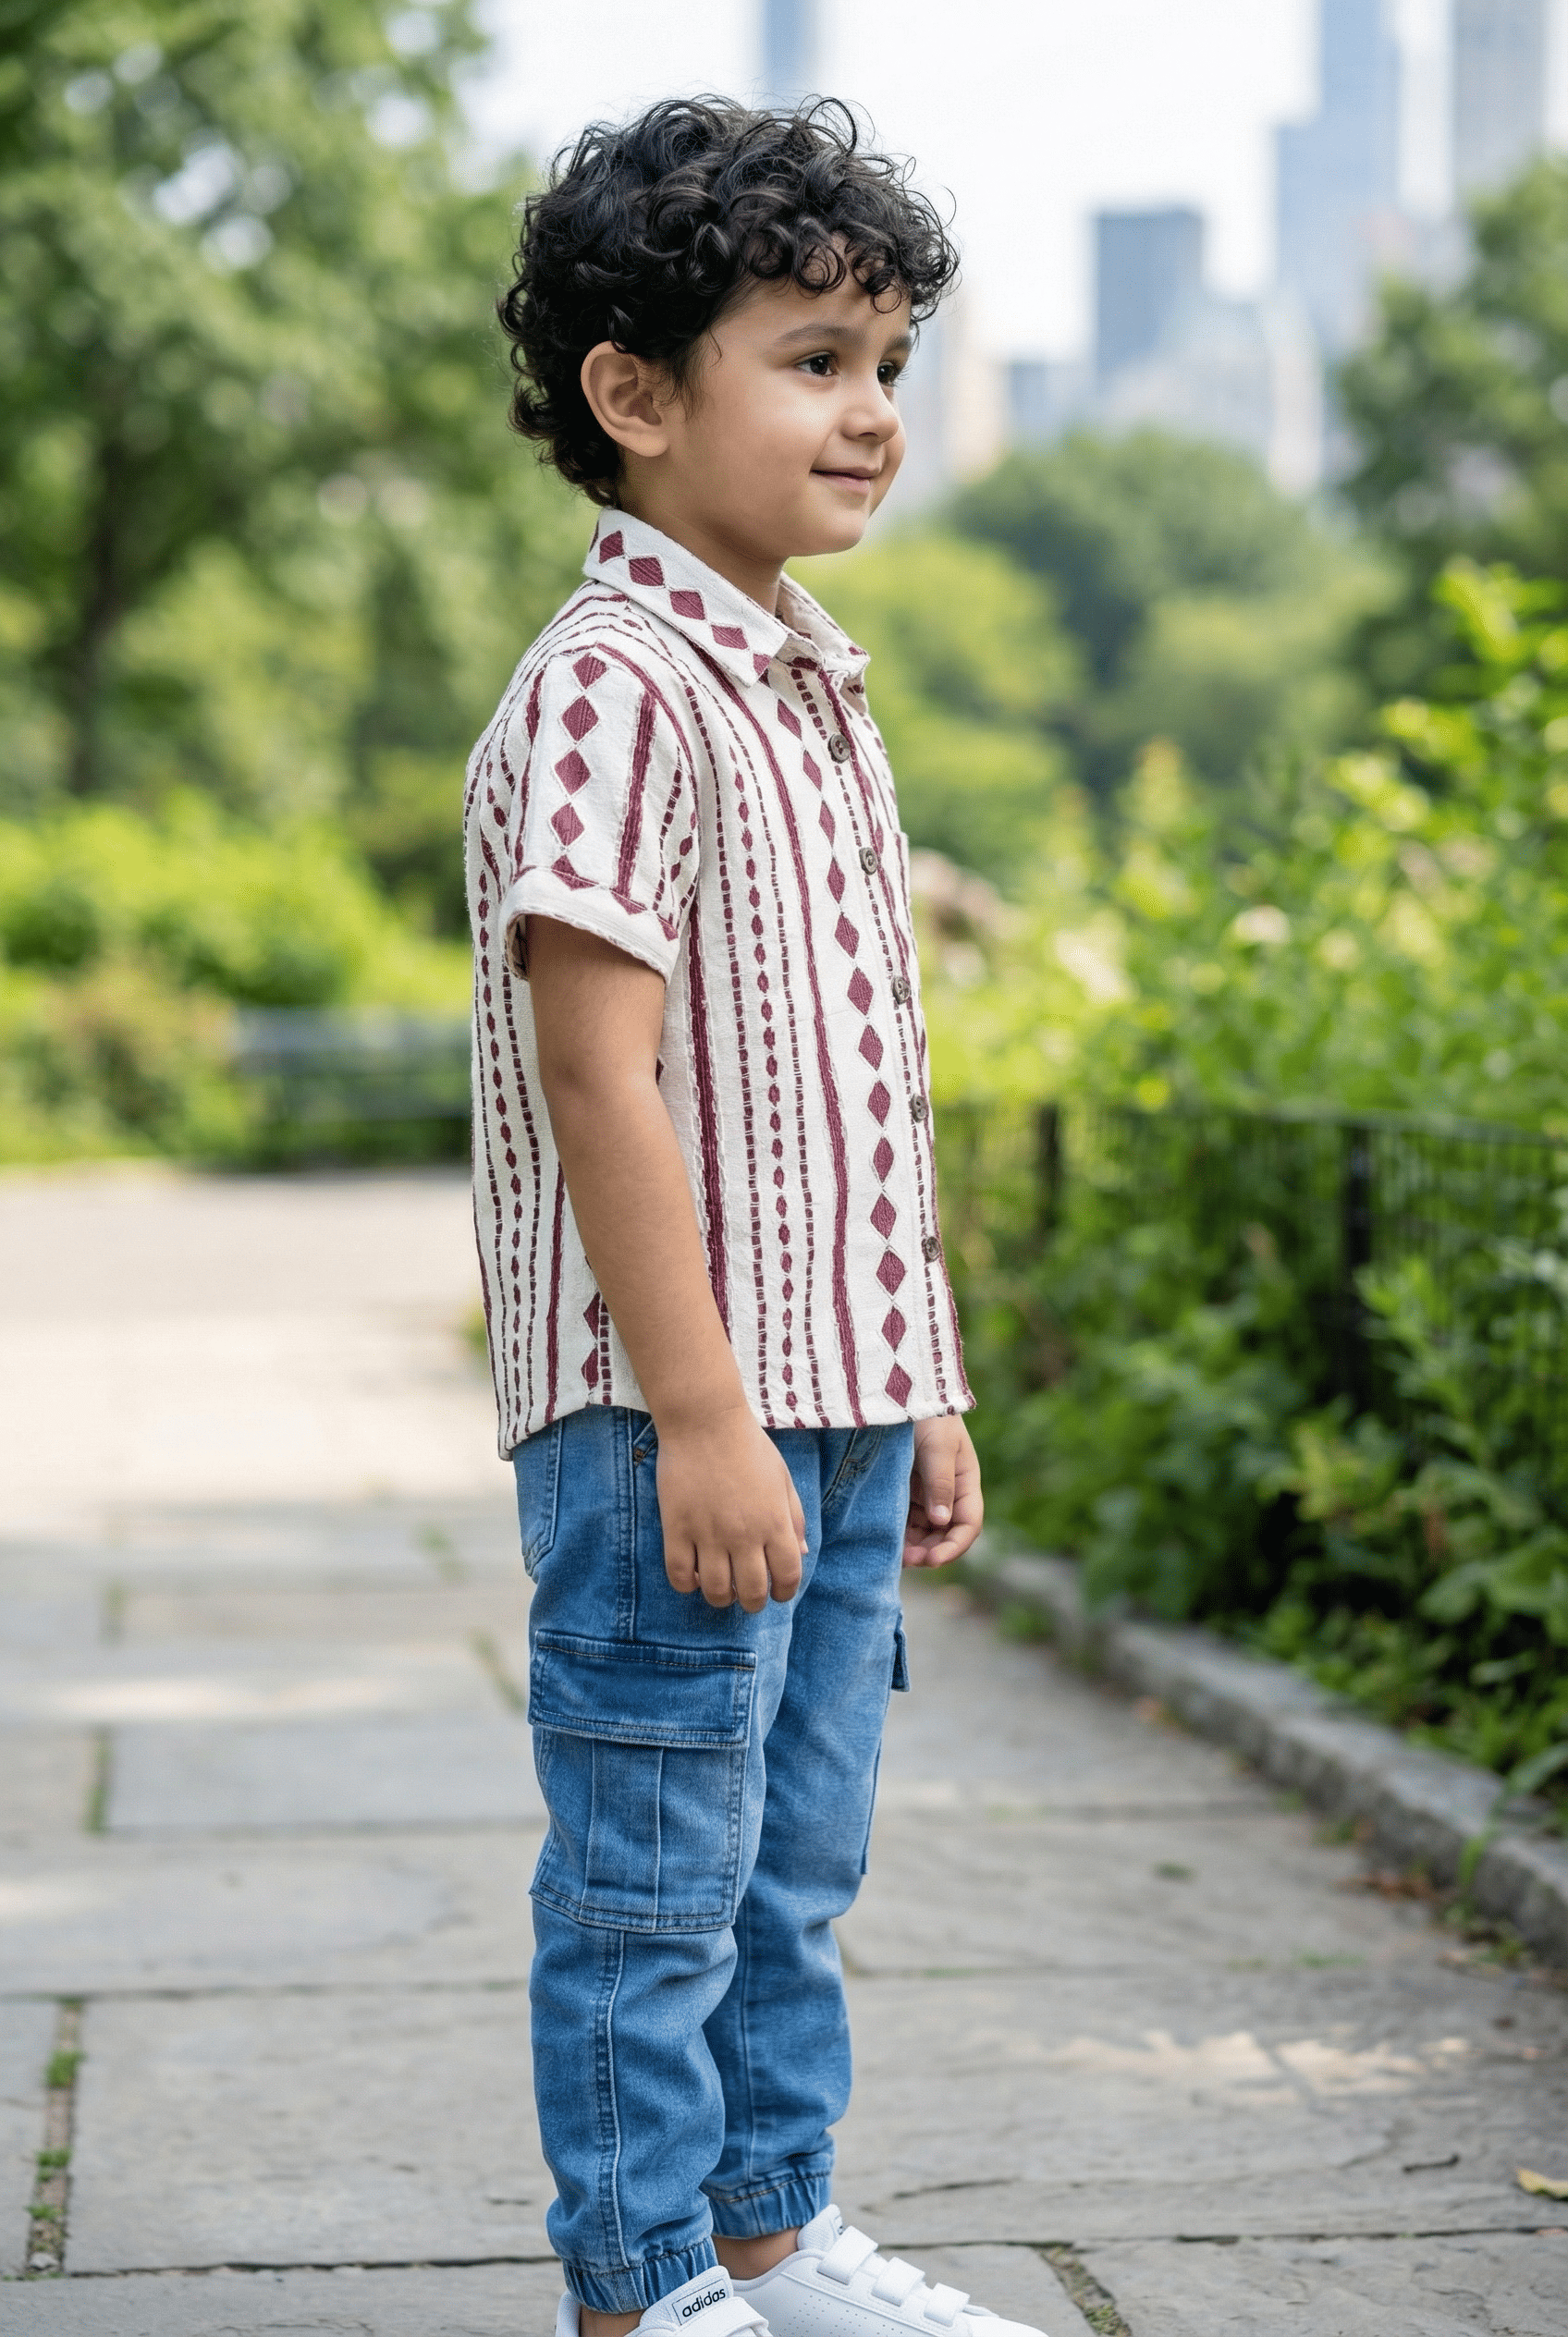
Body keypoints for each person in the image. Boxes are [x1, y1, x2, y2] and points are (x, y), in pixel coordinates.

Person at [467, 95, 1037, 2337]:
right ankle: (638, 2285)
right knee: (652, 1881)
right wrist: (700, 1417)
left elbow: (849, 1086)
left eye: (889, 359)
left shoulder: (813, 693)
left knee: (792, 1871)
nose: (872, 413)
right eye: (813, 357)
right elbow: (594, 1068)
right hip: (665, 1413)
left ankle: (768, 2231)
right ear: (632, 393)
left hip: (842, 1391)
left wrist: (929, 1377)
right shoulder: (613, 684)